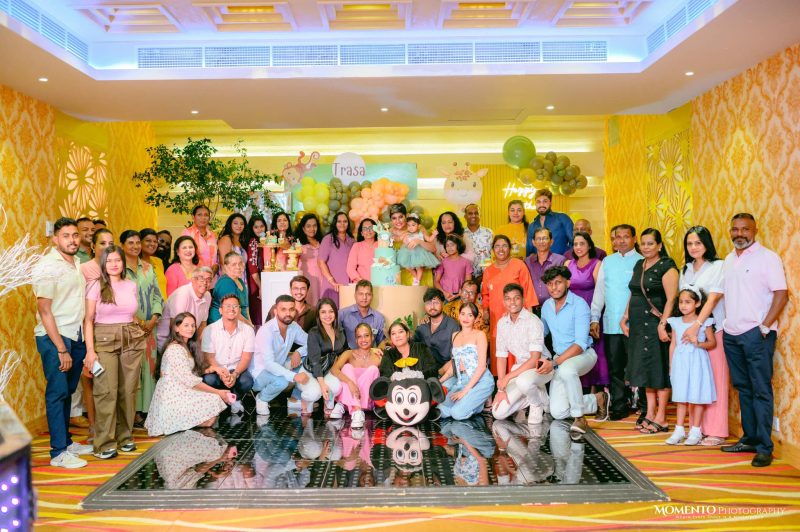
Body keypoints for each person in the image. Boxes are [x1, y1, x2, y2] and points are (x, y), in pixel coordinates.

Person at [721, 213, 787, 467]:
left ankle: (764, 447)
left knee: (760, 390)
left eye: (745, 229)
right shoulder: (729, 259)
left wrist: (765, 326)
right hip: (732, 334)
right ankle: (749, 438)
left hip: (756, 334)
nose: (740, 234)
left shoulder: (768, 258)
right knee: (743, 388)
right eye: (735, 229)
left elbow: (781, 294)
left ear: (755, 230)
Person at [33, 217, 93, 468]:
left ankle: (66, 443)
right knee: (57, 393)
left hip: (75, 335)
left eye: (75, 235)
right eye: (66, 236)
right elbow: (44, 310)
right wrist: (60, 348)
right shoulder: (48, 266)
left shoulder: (76, 263)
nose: (72, 240)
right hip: (55, 337)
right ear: (55, 239)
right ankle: (58, 453)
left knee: (68, 391)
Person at [83, 245, 146, 459]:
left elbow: (130, 313)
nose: (113, 264)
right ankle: (104, 443)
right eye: (109, 260)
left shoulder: (131, 285)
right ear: (103, 263)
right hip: (103, 339)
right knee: (107, 391)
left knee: (128, 391)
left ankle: (125, 437)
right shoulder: (95, 285)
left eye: (117, 260)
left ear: (123, 263)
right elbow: (88, 320)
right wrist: (90, 351)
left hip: (131, 339)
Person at [622, 228, 678, 434]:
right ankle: (650, 412)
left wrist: (663, 325)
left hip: (655, 325)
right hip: (638, 324)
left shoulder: (667, 267)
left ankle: (662, 416)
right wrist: (625, 316)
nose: (646, 247)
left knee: (658, 369)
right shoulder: (640, 264)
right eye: (643, 244)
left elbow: (672, 299)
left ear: (659, 246)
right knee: (645, 369)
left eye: (650, 243)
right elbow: (634, 292)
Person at [540, 266, 608, 436]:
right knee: (558, 412)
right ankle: (597, 399)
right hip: (560, 358)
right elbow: (541, 333)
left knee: (567, 369)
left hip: (583, 355)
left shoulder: (579, 305)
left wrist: (554, 363)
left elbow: (580, 344)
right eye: (550, 284)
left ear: (568, 283)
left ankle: (579, 417)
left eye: (558, 282)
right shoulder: (547, 306)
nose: (554, 288)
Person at [145, 313, 235, 436]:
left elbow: (192, 371)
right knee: (214, 401)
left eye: (193, 325)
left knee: (212, 412)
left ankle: (188, 422)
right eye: (186, 325)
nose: (190, 329)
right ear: (176, 328)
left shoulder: (186, 346)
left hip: (182, 388)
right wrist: (218, 392)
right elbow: (190, 380)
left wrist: (215, 368)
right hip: (173, 394)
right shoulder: (175, 349)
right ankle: (177, 421)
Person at [679, 225, 728, 446]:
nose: (693, 247)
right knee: (696, 380)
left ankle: (716, 430)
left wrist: (697, 324)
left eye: (698, 243)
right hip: (690, 335)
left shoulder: (718, 266)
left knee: (716, 380)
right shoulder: (685, 269)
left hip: (713, 330)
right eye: (689, 243)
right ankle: (696, 428)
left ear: (706, 244)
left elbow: (713, 298)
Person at [590, 224, 642, 420]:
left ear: (634, 239)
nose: (621, 240)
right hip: (611, 323)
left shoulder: (641, 261)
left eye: (626, 236)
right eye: (617, 237)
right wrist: (595, 317)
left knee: (638, 366)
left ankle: (644, 406)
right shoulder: (608, 261)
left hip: (635, 325)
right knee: (615, 368)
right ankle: (619, 405)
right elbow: (600, 291)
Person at [120, 229, 164, 427]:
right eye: (131, 243)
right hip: (128, 326)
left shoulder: (148, 267)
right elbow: (116, 298)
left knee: (149, 369)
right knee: (133, 370)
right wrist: (138, 321)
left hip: (149, 328)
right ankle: (134, 411)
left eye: (138, 242)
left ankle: (148, 410)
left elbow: (157, 295)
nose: (135, 246)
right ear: (122, 245)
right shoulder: (118, 268)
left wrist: (153, 319)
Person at [251, 295, 322, 416]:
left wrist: (298, 352)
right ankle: (262, 399)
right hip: (260, 373)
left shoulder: (293, 326)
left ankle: (296, 398)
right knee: (282, 382)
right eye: (283, 309)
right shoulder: (266, 331)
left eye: (291, 309)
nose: (288, 313)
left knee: (307, 358)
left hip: (279, 366)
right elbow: (269, 364)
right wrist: (294, 376)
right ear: (275, 311)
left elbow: (311, 343)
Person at [491, 283, 551, 424]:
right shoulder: (502, 323)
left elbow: (535, 359)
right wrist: (501, 390)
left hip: (541, 367)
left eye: (516, 298)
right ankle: (535, 395)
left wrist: (507, 377)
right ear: (504, 302)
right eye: (508, 299)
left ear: (523, 300)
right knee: (498, 413)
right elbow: (501, 356)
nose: (512, 302)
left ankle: (537, 404)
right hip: (520, 370)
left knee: (523, 381)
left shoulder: (533, 321)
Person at [665, 289, 717, 446]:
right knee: (681, 396)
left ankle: (695, 431)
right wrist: (671, 365)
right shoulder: (675, 322)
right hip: (680, 362)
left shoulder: (704, 322)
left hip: (697, 362)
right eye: (681, 302)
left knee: (697, 395)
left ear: (698, 303)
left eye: (688, 302)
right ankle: (679, 430)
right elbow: (673, 344)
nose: (683, 305)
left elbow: (712, 343)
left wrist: (698, 343)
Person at [481, 235, 537, 374]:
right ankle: (500, 378)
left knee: (518, 344)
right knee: (499, 347)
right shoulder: (488, 271)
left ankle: (517, 374)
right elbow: (485, 294)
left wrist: (530, 315)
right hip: (496, 316)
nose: (501, 249)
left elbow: (527, 290)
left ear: (510, 248)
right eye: (497, 246)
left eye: (504, 246)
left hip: (517, 315)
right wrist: (485, 310)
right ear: (493, 250)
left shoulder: (519, 265)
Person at [564, 231, 607, 392]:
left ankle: (596, 389)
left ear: (589, 246)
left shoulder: (597, 264)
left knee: (594, 348)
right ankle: (578, 387)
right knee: (575, 346)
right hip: (571, 311)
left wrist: (594, 317)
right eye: (575, 244)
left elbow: (601, 291)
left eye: (582, 243)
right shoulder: (568, 264)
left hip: (590, 309)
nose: (578, 247)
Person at [438, 303, 494, 420]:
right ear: (459, 316)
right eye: (463, 314)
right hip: (462, 380)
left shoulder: (480, 335)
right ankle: (469, 402)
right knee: (441, 411)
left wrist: (464, 392)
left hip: (481, 380)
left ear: (475, 318)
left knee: (457, 413)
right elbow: (455, 364)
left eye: (470, 315)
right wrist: (440, 381)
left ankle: (481, 402)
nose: (466, 318)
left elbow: (482, 367)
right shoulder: (455, 335)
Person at [201, 294, 255, 414]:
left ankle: (234, 399)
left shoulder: (248, 330)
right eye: (228, 306)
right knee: (208, 380)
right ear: (220, 310)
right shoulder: (210, 330)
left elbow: (246, 357)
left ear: (239, 310)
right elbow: (209, 357)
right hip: (217, 369)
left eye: (235, 306)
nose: (232, 309)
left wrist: (235, 374)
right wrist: (221, 373)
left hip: (237, 369)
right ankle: (220, 400)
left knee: (247, 381)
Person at [329, 323, 382, 428]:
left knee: (373, 369)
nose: (363, 339)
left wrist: (378, 347)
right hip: (354, 401)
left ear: (372, 337)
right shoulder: (349, 353)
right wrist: (350, 382)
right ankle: (357, 411)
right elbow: (334, 369)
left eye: (366, 335)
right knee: (347, 367)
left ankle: (345, 404)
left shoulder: (378, 356)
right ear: (356, 340)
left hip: (366, 402)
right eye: (359, 336)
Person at [305, 298, 347, 414]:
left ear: (335, 313)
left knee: (337, 387)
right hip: (314, 370)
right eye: (323, 312)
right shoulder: (314, 332)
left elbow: (346, 351)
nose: (328, 315)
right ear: (318, 314)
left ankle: (328, 400)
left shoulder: (340, 331)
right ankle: (305, 400)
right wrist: (322, 384)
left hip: (330, 369)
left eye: (331, 311)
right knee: (315, 393)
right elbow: (314, 361)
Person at [157, 267, 213, 350]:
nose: (205, 282)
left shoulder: (207, 295)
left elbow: (202, 324)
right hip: (168, 340)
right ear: (193, 280)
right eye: (201, 279)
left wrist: (197, 348)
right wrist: (186, 350)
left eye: (208, 279)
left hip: (188, 340)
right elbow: (175, 326)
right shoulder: (182, 294)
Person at [413, 288, 461, 368]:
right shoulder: (423, 325)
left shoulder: (452, 326)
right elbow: (413, 345)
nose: (432, 306)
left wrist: (442, 372)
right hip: (424, 368)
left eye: (436, 302)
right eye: (428, 303)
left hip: (445, 369)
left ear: (443, 303)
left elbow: (457, 357)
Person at [524, 227, 566, 309]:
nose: (541, 241)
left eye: (545, 238)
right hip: (532, 309)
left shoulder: (560, 261)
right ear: (533, 242)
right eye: (538, 239)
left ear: (551, 241)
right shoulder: (527, 262)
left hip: (554, 308)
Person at [319, 212, 355, 304]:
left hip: (348, 286)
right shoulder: (328, 239)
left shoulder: (352, 240)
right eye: (339, 221)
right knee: (331, 309)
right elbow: (321, 262)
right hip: (332, 285)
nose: (342, 224)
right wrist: (332, 280)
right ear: (335, 223)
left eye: (345, 221)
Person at [338, 279, 386, 349]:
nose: (364, 297)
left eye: (368, 294)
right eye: (361, 294)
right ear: (355, 295)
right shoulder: (342, 314)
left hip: (370, 354)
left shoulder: (379, 318)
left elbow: (382, 341)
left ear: (372, 296)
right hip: (348, 354)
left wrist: (377, 353)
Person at [526, 189, 573, 257]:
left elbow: (574, 241)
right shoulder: (531, 226)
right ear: (535, 204)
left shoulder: (562, 218)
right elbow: (530, 252)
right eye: (538, 202)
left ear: (550, 202)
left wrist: (568, 259)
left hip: (562, 262)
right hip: (540, 263)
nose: (541, 204)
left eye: (545, 201)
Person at [208, 252, 250, 325]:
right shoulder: (226, 282)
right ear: (226, 267)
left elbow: (246, 307)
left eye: (240, 263)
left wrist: (250, 323)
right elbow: (232, 310)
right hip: (222, 324)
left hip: (240, 322)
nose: (238, 267)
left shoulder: (240, 281)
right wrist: (249, 325)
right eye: (234, 264)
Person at [397, 213, 439, 285]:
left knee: (419, 267)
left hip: (420, 252)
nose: (411, 227)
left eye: (413, 225)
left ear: (418, 226)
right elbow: (404, 242)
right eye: (409, 225)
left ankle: (417, 280)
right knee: (407, 266)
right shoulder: (407, 234)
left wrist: (434, 234)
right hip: (409, 252)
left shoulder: (421, 233)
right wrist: (405, 240)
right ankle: (415, 276)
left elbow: (429, 239)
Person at [434, 235, 473, 302]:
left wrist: (458, 295)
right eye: (447, 246)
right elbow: (436, 281)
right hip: (444, 295)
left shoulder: (466, 262)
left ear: (458, 245)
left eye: (452, 245)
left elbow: (468, 283)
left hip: (460, 295)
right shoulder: (443, 262)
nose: (449, 248)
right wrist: (444, 293)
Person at [295, 213, 323, 305]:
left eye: (314, 225)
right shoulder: (298, 245)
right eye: (308, 226)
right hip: (307, 280)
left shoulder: (322, 243)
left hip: (322, 280)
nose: (312, 229)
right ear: (303, 228)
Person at [245, 215, 267, 327]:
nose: (259, 229)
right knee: (258, 316)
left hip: (263, 280)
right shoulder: (253, 242)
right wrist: (260, 286)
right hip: (256, 283)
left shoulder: (264, 241)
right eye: (256, 227)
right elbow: (252, 268)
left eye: (262, 226)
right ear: (252, 229)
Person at [182, 204, 218, 274]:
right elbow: (184, 256)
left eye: (206, 215)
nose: (203, 218)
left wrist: (216, 266)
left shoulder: (213, 235)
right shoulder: (187, 233)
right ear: (193, 217)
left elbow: (215, 258)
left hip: (211, 276)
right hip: (194, 275)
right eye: (199, 215)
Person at [217, 213, 250, 286]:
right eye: (235, 223)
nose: (239, 226)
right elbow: (224, 265)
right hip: (230, 282)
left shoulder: (241, 242)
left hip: (241, 280)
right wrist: (230, 284)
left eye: (242, 224)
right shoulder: (226, 239)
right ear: (230, 225)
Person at [462, 203, 493, 280]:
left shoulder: (489, 232)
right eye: (470, 213)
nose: (473, 216)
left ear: (480, 215)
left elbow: (492, 254)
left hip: (485, 276)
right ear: (465, 216)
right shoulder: (460, 234)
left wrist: (485, 274)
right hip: (465, 277)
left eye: (476, 213)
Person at [346, 218, 378, 283]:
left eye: (371, 228)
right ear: (362, 233)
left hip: (380, 284)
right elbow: (350, 268)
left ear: (375, 230)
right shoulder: (357, 246)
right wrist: (361, 281)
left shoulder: (382, 244)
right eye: (365, 229)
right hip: (362, 285)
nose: (368, 231)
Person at [139, 228, 167, 299]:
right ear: (139, 242)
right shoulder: (135, 263)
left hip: (164, 304)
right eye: (148, 241)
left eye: (155, 241)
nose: (152, 244)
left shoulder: (158, 261)